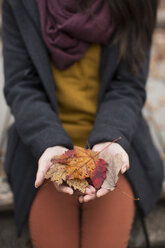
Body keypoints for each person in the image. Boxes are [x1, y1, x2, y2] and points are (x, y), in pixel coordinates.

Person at [2, 0, 164, 247]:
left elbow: (128, 86)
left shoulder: (137, 4)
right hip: (42, 146)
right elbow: (22, 86)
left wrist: (109, 138)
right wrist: (49, 143)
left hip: (113, 140)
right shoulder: (21, 4)